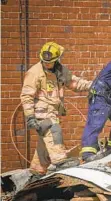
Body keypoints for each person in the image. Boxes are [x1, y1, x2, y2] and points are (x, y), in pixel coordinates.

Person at [20, 42, 92, 175]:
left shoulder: (60, 71)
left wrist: (93, 85)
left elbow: (74, 83)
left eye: (50, 62)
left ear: (57, 59)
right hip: (41, 114)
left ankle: (36, 172)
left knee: (45, 146)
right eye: (45, 62)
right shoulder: (34, 73)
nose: (47, 64)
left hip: (53, 112)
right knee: (54, 131)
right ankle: (60, 162)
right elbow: (26, 96)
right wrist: (30, 116)